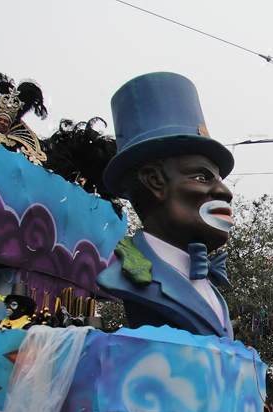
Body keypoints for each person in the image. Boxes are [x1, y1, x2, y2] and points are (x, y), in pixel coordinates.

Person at [97, 72, 236, 338]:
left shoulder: (208, 284)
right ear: (154, 181)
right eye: (201, 177)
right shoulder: (123, 277)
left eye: (218, 179)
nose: (224, 191)